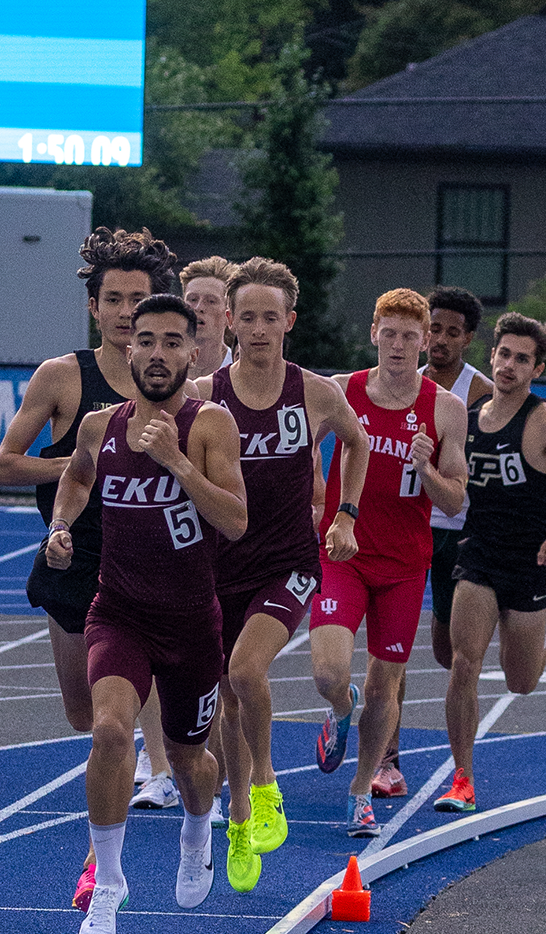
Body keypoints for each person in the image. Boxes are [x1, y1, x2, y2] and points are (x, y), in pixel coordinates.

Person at [0, 227, 184, 910]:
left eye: (139, 299)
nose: (129, 311)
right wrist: (79, 465)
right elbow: (5, 464)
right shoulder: (63, 376)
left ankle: (111, 851)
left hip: (150, 562)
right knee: (83, 714)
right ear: (95, 308)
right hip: (73, 557)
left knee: (114, 710)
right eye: (115, 299)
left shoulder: (180, 379)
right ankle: (130, 746)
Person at [44, 294, 247, 934]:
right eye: (146, 340)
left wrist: (178, 465)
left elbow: (235, 522)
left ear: (194, 353)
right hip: (119, 611)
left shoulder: (211, 424)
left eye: (172, 342)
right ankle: (107, 883)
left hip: (190, 622)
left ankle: (196, 835)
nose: (157, 353)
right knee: (108, 731)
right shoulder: (100, 427)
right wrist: (61, 527)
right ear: (127, 351)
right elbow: (76, 480)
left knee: (192, 761)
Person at [198, 257, 368, 892]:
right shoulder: (204, 394)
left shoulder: (317, 392)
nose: (259, 328)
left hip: (289, 561)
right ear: (229, 322)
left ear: (290, 321)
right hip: (218, 563)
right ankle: (240, 817)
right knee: (224, 695)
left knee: (247, 672)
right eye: (247, 317)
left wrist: (345, 514)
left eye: (271, 317)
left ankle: (267, 787)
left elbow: (358, 443)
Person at [309, 288, 468, 838]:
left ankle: (360, 792)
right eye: (390, 333)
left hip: (403, 564)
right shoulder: (341, 391)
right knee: (329, 672)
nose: (399, 345)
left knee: (386, 686)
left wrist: (427, 471)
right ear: (373, 333)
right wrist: (315, 502)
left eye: (410, 336)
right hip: (343, 550)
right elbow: (306, 445)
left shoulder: (445, 408)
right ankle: (337, 706)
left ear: (425, 342)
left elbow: (454, 500)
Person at [437, 314, 546, 812]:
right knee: (464, 663)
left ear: (538, 368)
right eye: (504, 355)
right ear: (491, 356)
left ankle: (538, 633)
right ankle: (462, 777)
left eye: (522, 359)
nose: (510, 365)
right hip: (480, 554)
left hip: (533, 561)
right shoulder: (465, 420)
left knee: (521, 681)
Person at [374, 286, 494, 799]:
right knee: (390, 654)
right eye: (434, 330)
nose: (440, 340)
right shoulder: (403, 383)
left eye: (451, 332)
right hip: (408, 527)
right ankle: (388, 760)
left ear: (467, 338)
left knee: (449, 652)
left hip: (463, 533)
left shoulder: (481, 394)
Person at [181, 256, 236, 375]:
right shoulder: (164, 366)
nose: (198, 308)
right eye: (193, 299)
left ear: (229, 316)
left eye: (211, 301)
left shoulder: (240, 370)